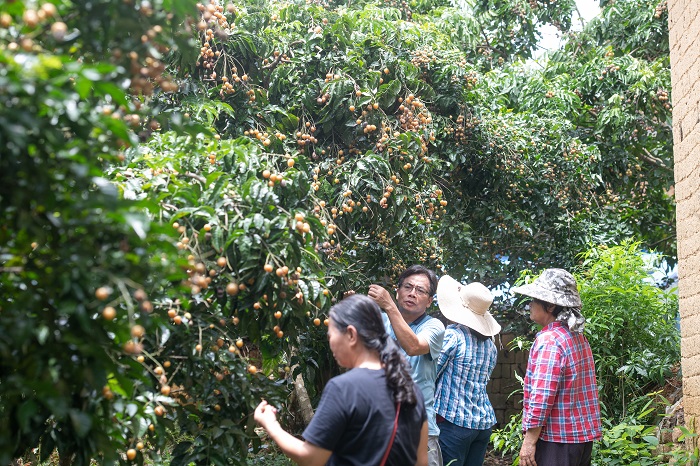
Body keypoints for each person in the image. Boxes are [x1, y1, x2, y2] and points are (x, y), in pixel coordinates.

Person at [254, 294, 429, 466]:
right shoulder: (412, 391)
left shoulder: (344, 388)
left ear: (351, 335)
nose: (330, 343)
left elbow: (311, 458)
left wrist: (271, 425)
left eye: (331, 335)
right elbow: (421, 462)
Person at [511, 268, 602, 466]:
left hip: (556, 441)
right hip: (580, 439)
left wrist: (529, 441)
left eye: (534, 299)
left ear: (550, 305)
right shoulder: (577, 337)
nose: (530, 305)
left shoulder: (550, 340)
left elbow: (542, 396)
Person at [366, 265, 446, 466]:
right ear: (397, 290)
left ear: (429, 301)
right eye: (408, 287)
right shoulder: (379, 320)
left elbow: (413, 346)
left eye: (420, 290)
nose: (412, 293)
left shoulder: (434, 326)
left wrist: (389, 306)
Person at [434, 276, 501, 466]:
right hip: (482, 422)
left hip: (453, 422)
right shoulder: (491, 346)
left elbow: (432, 375)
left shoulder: (453, 336)